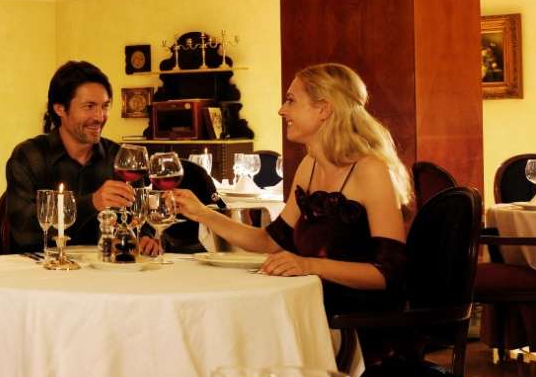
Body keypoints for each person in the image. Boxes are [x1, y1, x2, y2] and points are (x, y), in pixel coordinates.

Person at [170, 63, 409, 315]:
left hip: (355, 318)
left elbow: (389, 272)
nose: (281, 110)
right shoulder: (309, 165)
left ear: (324, 109)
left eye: (291, 101)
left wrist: (308, 265)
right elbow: (269, 241)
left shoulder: (370, 169)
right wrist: (202, 213)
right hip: (310, 303)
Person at [3, 61, 152, 253]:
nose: (100, 116)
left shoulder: (120, 158)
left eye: (105, 106)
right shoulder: (29, 156)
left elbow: (142, 219)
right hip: (44, 274)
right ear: (60, 109)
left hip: (108, 274)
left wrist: (147, 237)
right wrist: (90, 204)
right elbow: (24, 232)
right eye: (89, 106)